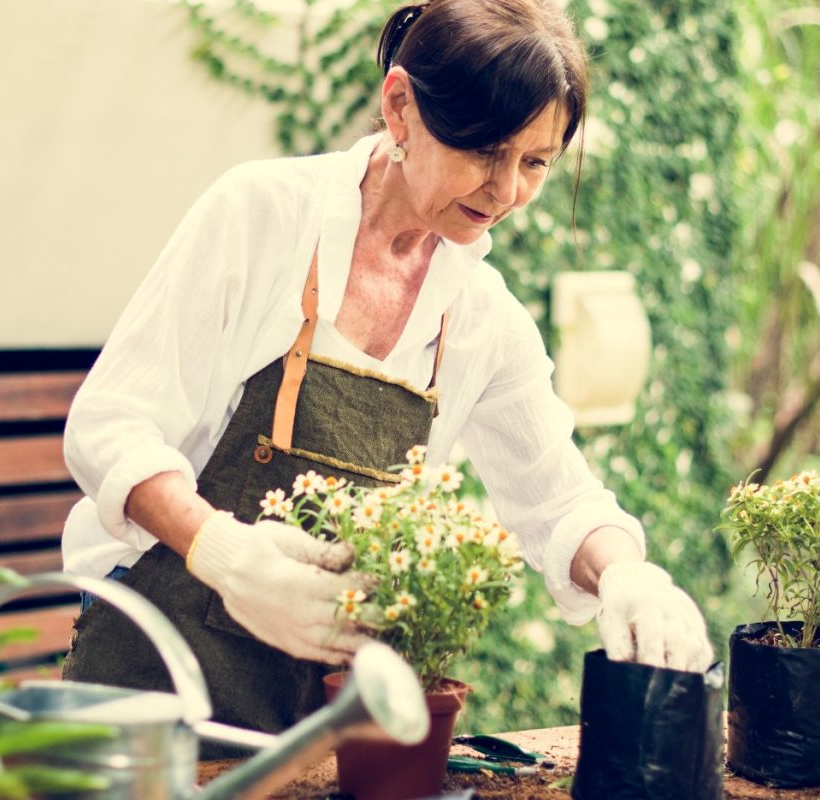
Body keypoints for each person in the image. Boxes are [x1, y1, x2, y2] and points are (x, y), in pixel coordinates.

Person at [60, 0, 714, 750]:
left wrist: (630, 576)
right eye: (484, 151)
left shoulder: (478, 318)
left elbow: (559, 499)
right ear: (399, 106)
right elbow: (110, 424)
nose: (506, 192)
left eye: (535, 163)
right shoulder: (263, 216)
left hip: (320, 734)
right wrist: (222, 551)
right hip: (148, 699)